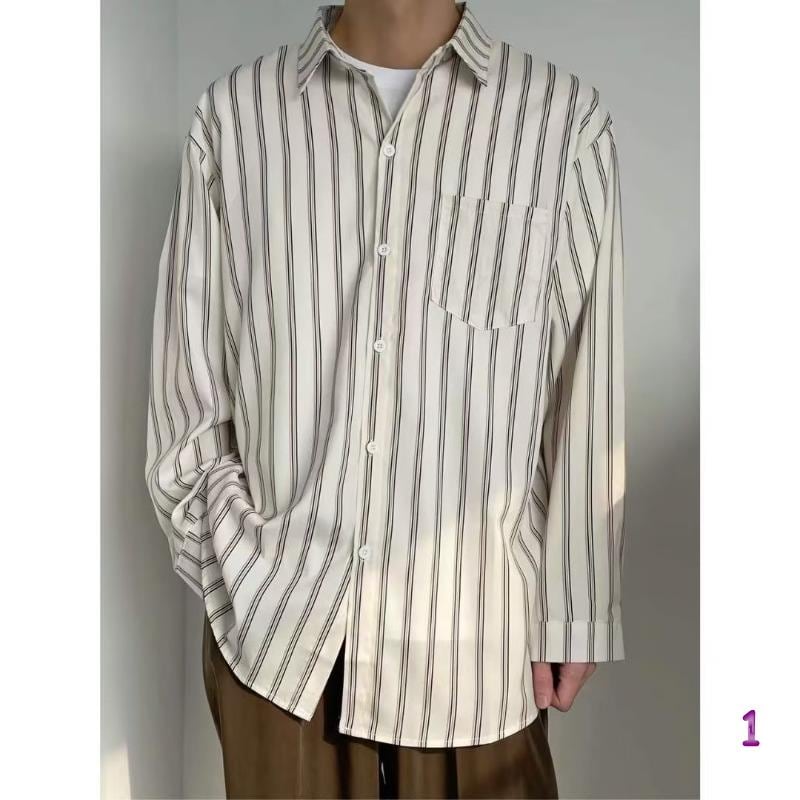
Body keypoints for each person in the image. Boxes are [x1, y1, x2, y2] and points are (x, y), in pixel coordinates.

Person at [144, 1, 627, 797]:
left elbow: (586, 383)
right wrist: (239, 568)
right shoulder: (234, 119)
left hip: (475, 644)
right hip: (280, 642)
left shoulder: (561, 122)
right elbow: (184, 389)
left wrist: (576, 605)